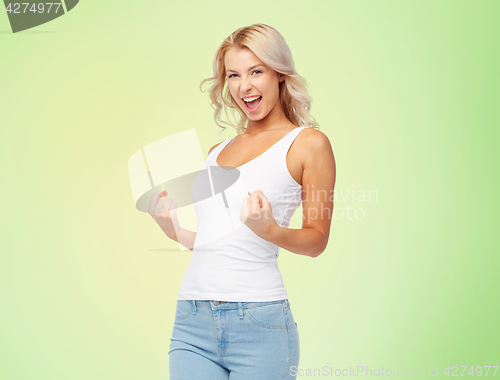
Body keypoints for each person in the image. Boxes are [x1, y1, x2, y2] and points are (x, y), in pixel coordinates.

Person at [149, 23, 336, 380]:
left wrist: (271, 229)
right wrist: (175, 232)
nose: (244, 86)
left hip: (259, 323)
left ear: (279, 74)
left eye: (256, 71)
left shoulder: (309, 144)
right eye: (233, 75)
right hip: (192, 320)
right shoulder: (216, 152)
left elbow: (317, 240)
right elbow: (220, 239)